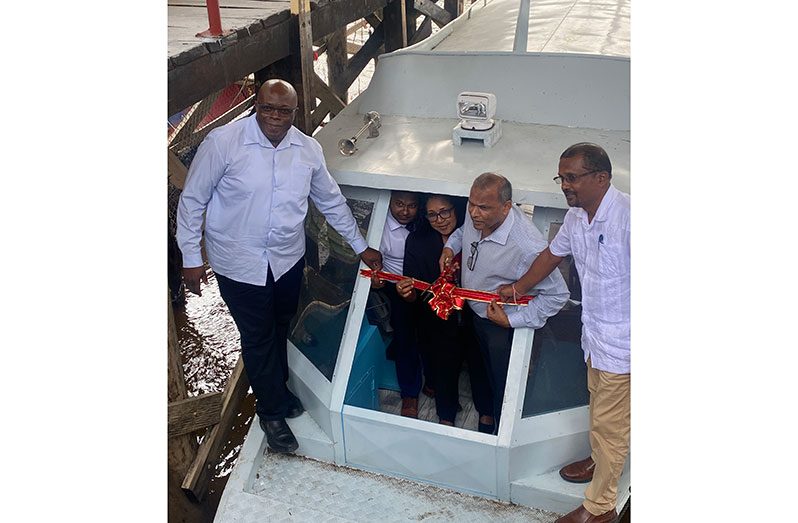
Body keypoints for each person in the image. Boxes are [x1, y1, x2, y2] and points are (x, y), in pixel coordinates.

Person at [176, 79, 382, 454]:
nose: (274, 117)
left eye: (283, 110)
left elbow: (331, 200)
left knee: (280, 325)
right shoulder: (223, 143)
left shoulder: (307, 150)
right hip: (237, 262)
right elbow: (192, 201)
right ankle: (270, 411)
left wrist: (360, 245)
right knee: (257, 336)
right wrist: (191, 258)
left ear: (294, 112)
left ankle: (279, 389)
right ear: (257, 106)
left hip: (286, 260)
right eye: (267, 108)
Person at [497, 143, 629, 523]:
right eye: (562, 178)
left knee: (609, 420)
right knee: (600, 406)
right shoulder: (575, 219)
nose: (564, 186)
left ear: (601, 178)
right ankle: (602, 458)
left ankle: (599, 508)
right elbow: (551, 256)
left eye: (572, 178)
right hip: (595, 335)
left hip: (626, 343)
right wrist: (519, 288)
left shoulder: (630, 218)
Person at [439, 173, 569, 432]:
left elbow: (557, 295)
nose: (474, 213)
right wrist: (450, 247)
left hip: (500, 326)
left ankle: (502, 431)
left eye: (484, 208)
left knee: (503, 383)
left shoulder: (527, 246)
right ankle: (485, 414)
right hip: (471, 311)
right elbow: (465, 231)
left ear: (507, 207)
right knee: (478, 368)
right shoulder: (476, 212)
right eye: (471, 204)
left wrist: (511, 320)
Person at [395, 194, 494, 432]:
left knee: (480, 362)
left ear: (457, 210)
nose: (439, 220)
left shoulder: (476, 232)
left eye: (445, 212)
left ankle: (487, 414)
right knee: (443, 364)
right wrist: (406, 292)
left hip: (476, 313)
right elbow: (413, 288)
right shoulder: (417, 240)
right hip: (437, 316)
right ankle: (446, 416)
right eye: (432, 214)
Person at [370, 191, 428, 418]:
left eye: (411, 206)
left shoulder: (425, 223)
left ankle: (433, 379)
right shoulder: (380, 227)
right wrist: (377, 284)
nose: (405, 211)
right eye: (399, 204)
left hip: (426, 285)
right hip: (396, 288)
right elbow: (375, 267)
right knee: (405, 337)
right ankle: (410, 393)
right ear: (390, 202)